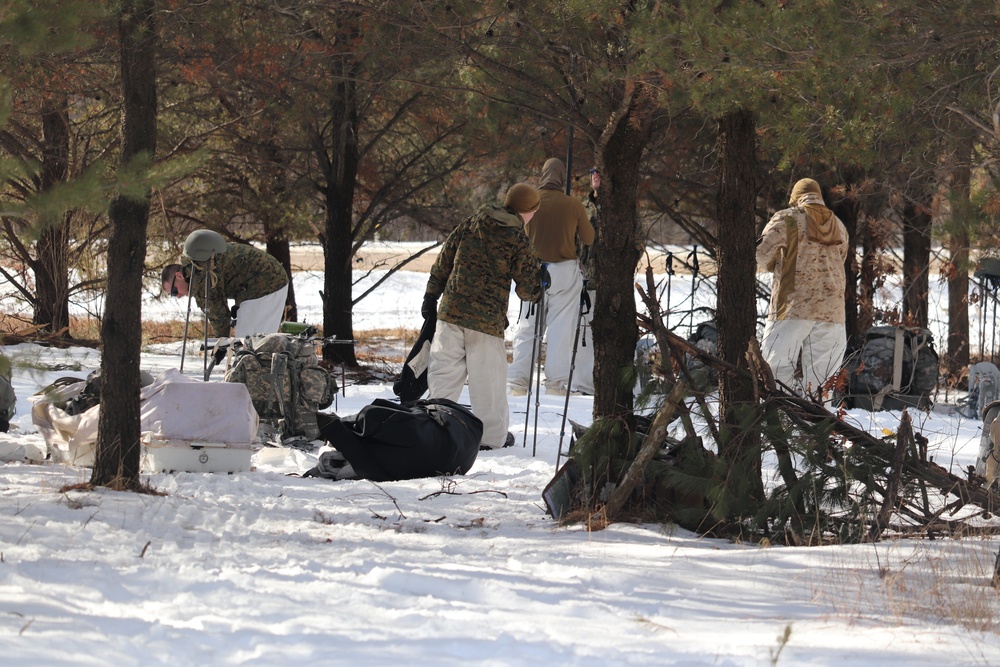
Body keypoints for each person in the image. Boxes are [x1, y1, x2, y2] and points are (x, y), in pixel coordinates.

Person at [423, 183, 543, 450]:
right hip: (485, 323)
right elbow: (527, 290)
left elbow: (445, 258)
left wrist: (431, 295)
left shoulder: (474, 221)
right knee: (488, 384)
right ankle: (490, 440)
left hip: (451, 313)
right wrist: (540, 283)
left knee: (444, 379)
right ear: (528, 211)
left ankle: (435, 430)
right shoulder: (517, 238)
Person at [507, 157, 595, 396]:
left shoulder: (529, 203)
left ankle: (518, 382)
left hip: (533, 270)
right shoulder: (573, 205)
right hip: (564, 272)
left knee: (527, 326)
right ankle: (555, 384)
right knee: (560, 329)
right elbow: (589, 238)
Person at [757, 177, 849, 399]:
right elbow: (842, 258)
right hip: (833, 312)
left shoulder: (787, 219)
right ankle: (817, 431)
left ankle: (778, 428)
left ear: (795, 198)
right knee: (822, 383)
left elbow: (760, 256)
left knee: (775, 372)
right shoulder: (839, 225)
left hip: (792, 307)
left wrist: (776, 262)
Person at [162, 239, 289, 339]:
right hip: (259, 282)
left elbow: (219, 316)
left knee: (251, 343)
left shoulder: (199, 277)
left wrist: (220, 344)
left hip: (267, 282)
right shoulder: (197, 265)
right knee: (249, 343)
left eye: (174, 291)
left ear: (179, 276)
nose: (178, 296)